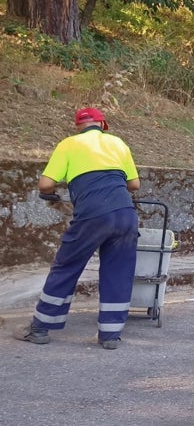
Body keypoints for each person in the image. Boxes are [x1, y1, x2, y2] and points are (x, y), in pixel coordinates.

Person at [13, 107, 141, 350]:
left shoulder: (69, 144)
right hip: (126, 216)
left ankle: (40, 328)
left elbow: (46, 184)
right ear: (103, 125)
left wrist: (52, 192)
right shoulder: (118, 143)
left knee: (66, 266)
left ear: (78, 127)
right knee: (119, 271)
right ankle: (110, 335)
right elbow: (134, 184)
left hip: (93, 216)